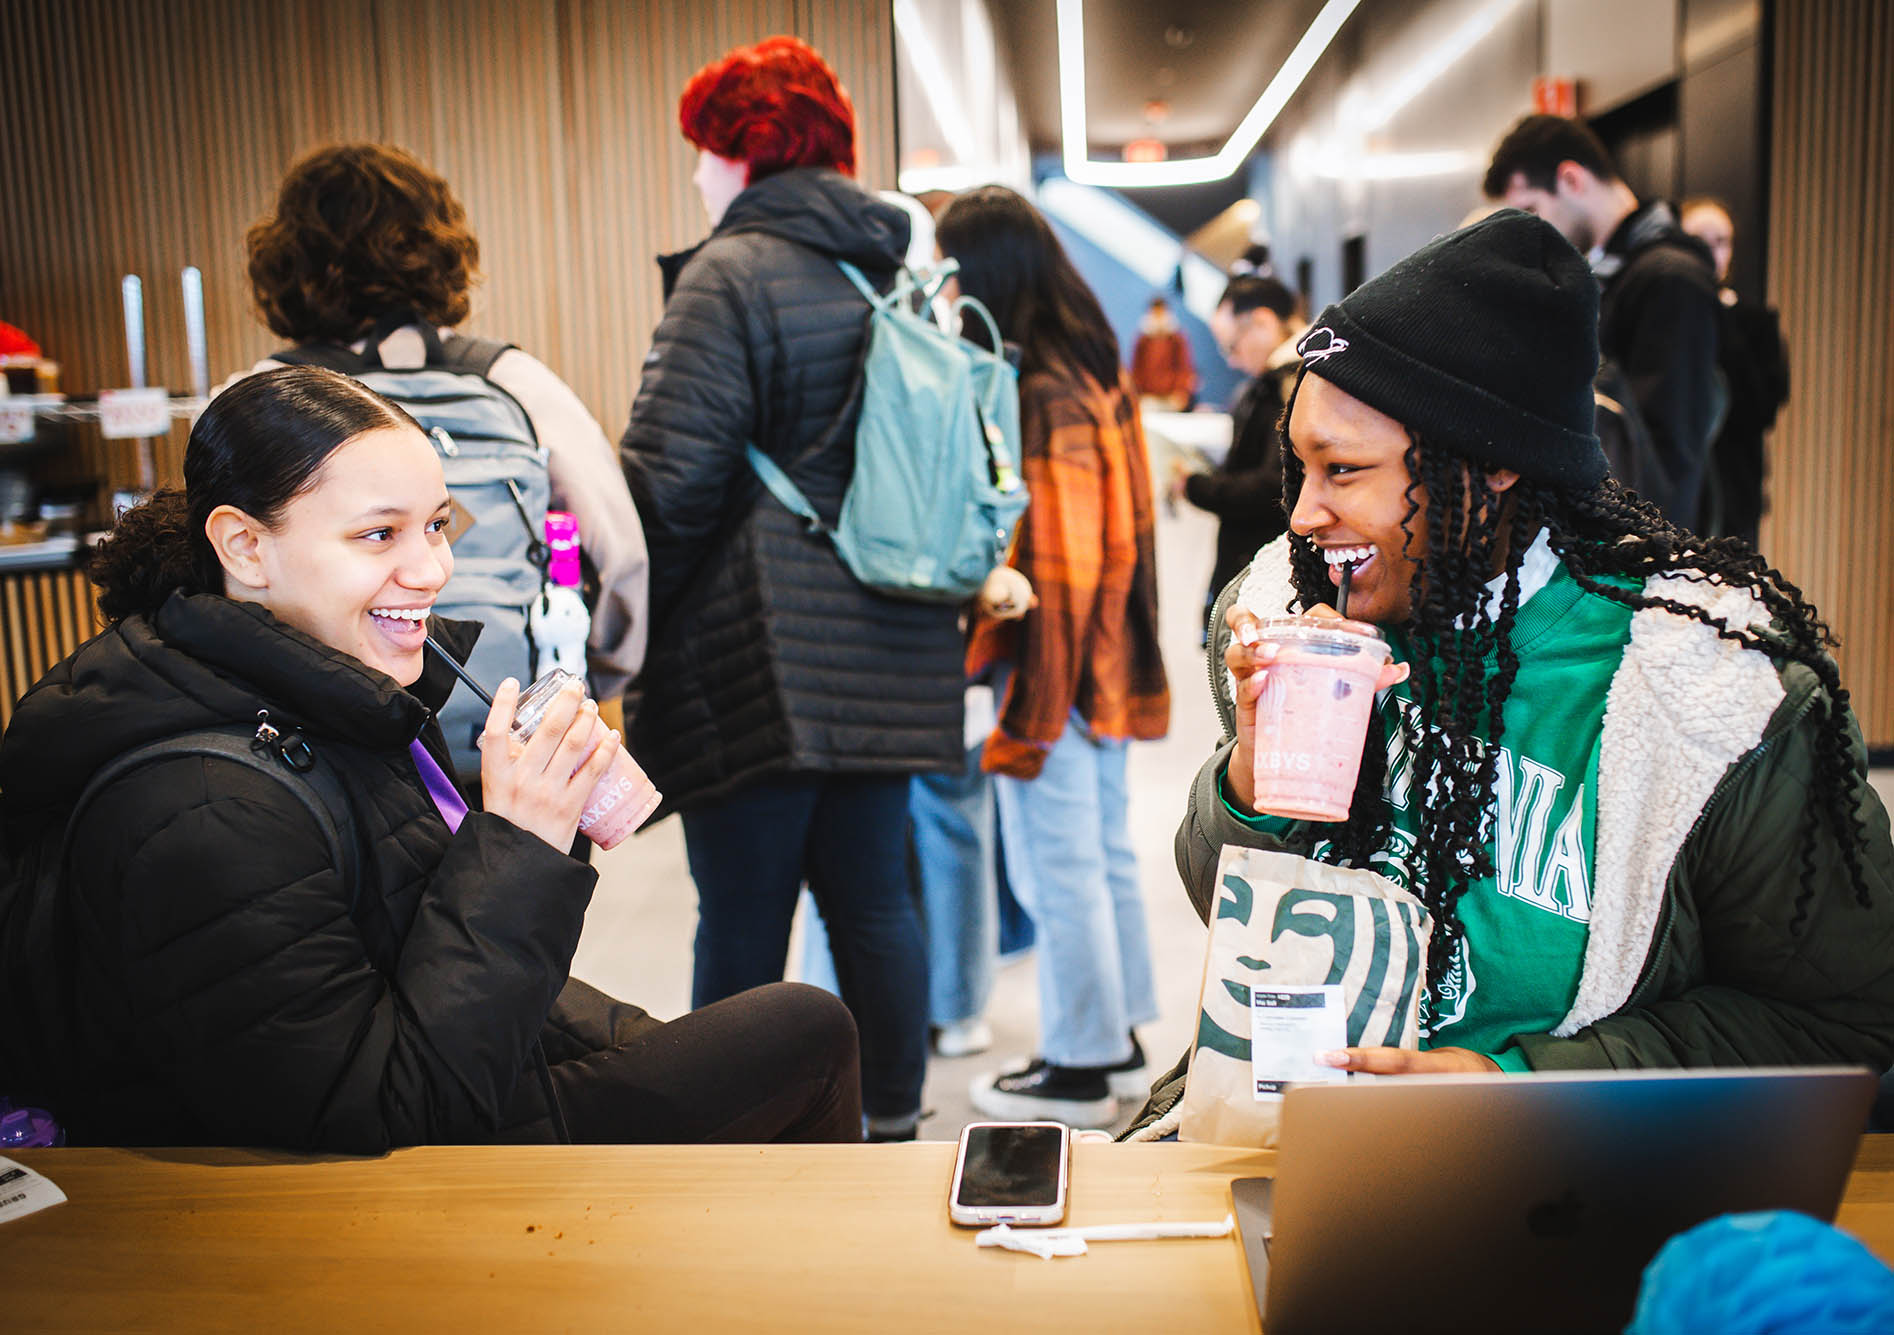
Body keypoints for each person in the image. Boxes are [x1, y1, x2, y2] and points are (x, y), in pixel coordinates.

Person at [1128, 211, 1893, 1137]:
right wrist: (1251, 780)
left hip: (1552, 1182)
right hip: (1281, 1139)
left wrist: (1506, 1082)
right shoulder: (1287, 610)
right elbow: (1231, 909)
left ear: (1488, 468)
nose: (1303, 516)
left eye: (1344, 469)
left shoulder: (1709, 695)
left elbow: (1841, 1030)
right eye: (1300, 464)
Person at [0, 367, 862, 1150]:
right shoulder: (200, 801)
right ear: (244, 548)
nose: (432, 568)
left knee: (754, 1042)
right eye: (379, 536)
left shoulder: (332, 692)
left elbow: (429, 953)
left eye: (438, 525)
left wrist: (539, 830)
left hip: (426, 1085)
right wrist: (517, 847)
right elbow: (380, 1112)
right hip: (333, 1185)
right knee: (803, 1034)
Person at [619, 36, 963, 1142]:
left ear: (744, 150)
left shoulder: (731, 272)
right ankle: (897, 1125)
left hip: (755, 648)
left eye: (702, 154)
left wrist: (626, 633)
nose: (695, 177)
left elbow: (669, 484)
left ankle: (738, 1141)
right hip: (894, 641)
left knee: (742, 910)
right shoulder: (898, 268)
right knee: (876, 904)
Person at [231, 142, 648, 758]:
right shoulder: (514, 380)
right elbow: (621, 556)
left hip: (320, 750)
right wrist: (593, 673)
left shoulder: (258, 395)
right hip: (518, 743)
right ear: (441, 246)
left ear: (288, 261)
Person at [933, 186, 1171, 1128]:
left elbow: (1065, 571)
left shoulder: (1041, 391)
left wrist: (1032, 710)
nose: (945, 292)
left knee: (1058, 861)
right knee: (1098, 853)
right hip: (1104, 664)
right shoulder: (1091, 368)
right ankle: (1114, 1041)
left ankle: (1080, 1060)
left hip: (1061, 669)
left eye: (953, 271)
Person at [1484, 115, 1723, 530]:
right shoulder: (1614, 273)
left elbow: (1671, 460)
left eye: (1532, 210)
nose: (1529, 232)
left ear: (1572, 179)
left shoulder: (1669, 277)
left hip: (1645, 551)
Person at [1172, 274, 1305, 631]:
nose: (1231, 361)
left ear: (1262, 322)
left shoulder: (1293, 384)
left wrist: (1197, 487)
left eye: (1231, 345)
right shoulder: (1276, 382)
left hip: (1276, 581)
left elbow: (1276, 487)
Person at [1679, 196, 1791, 546]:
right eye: (1699, 241)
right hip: (1674, 486)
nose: (1711, 253)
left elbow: (1763, 406)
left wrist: (1723, 317)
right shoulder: (1667, 317)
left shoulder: (1755, 322)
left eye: (1721, 242)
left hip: (1734, 487)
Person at [1129, 295, 1196, 410]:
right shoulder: (1143, 340)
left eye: (1161, 313)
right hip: (1148, 398)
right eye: (1155, 313)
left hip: (1172, 398)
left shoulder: (1177, 339)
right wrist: (1136, 393)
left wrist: (1182, 392)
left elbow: (1184, 367)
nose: (1158, 317)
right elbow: (1136, 369)